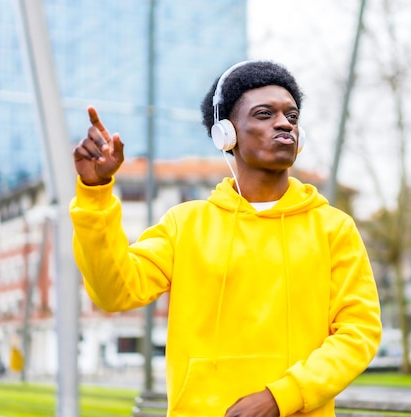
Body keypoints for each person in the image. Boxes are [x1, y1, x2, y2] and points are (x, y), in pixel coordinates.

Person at [70, 60, 381, 417]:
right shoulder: (185, 224)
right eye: (264, 114)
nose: (284, 123)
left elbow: (359, 333)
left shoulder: (333, 228)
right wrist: (95, 192)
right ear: (226, 135)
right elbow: (114, 291)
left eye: (292, 116)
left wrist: (280, 397)